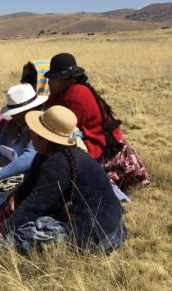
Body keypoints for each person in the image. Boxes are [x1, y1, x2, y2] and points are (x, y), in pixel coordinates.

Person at [0, 106, 127, 254]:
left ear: (44, 138)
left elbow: (37, 204)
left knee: (23, 234)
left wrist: (3, 231)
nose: (31, 135)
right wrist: (16, 196)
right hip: (110, 224)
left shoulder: (59, 163)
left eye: (35, 132)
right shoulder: (46, 154)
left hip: (99, 234)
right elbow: (30, 184)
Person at [45, 53, 149, 189]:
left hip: (100, 150)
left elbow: (62, 130)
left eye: (54, 79)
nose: (49, 83)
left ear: (69, 80)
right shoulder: (61, 94)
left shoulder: (76, 95)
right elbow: (48, 111)